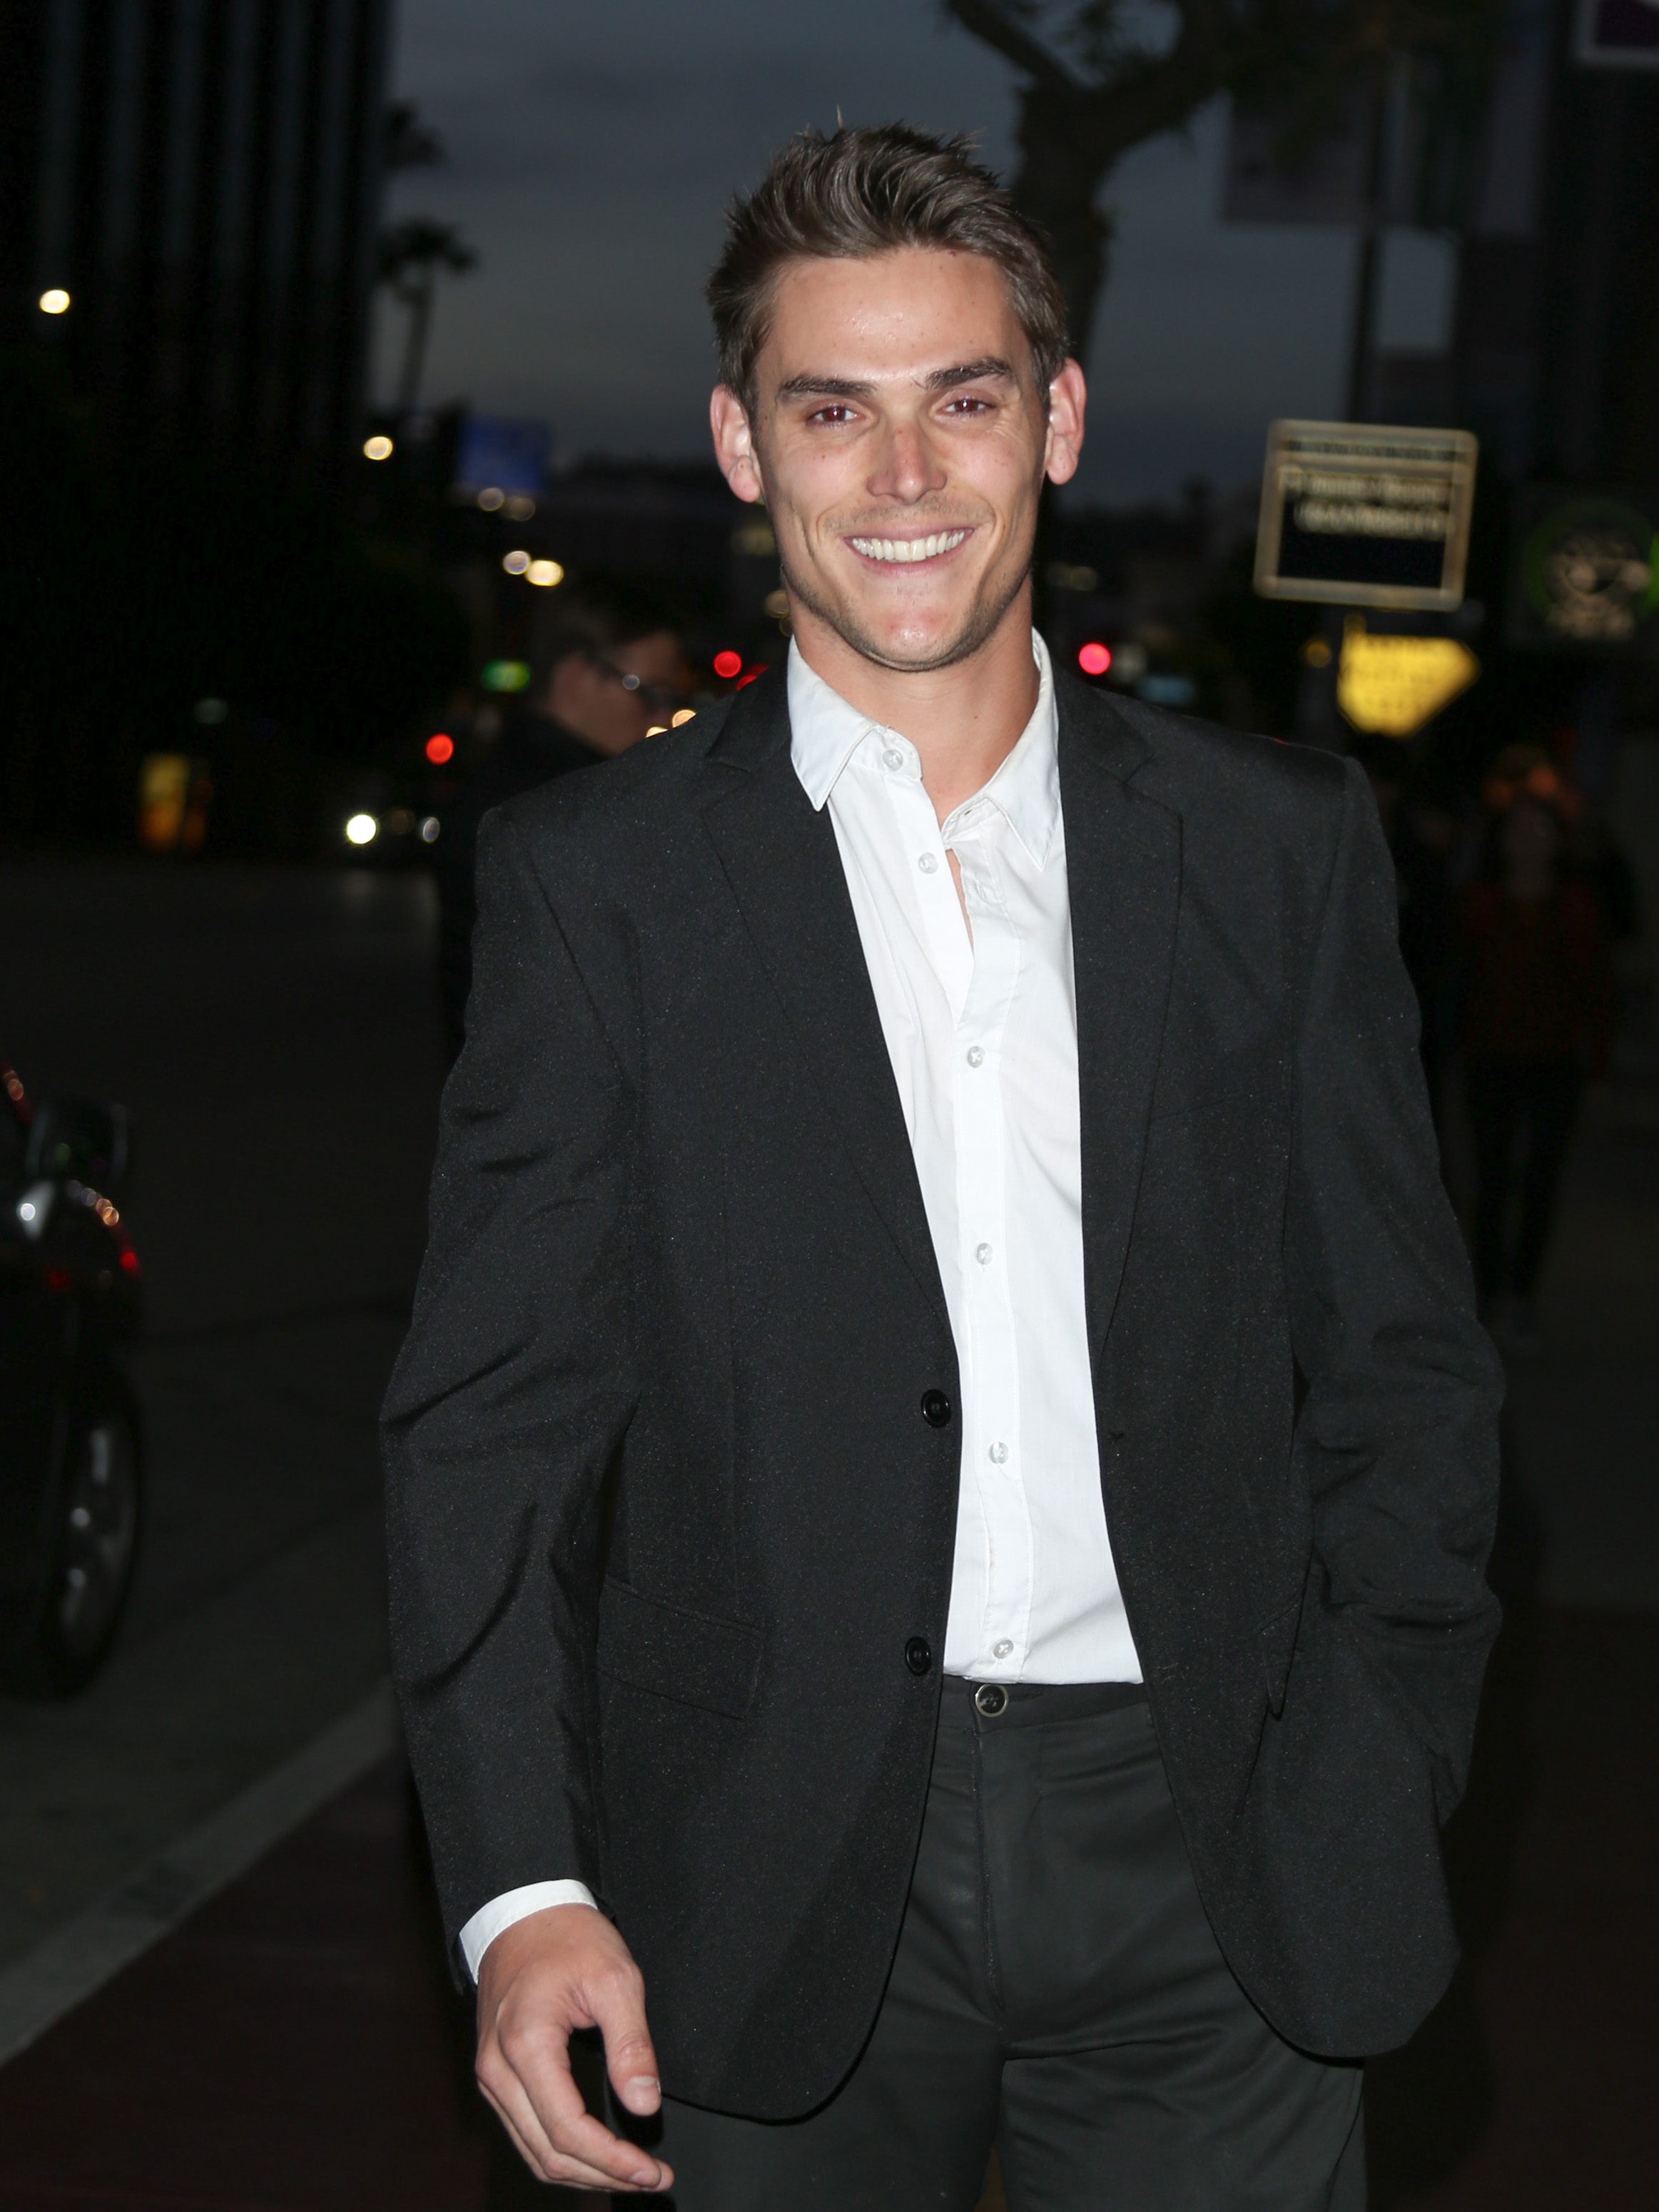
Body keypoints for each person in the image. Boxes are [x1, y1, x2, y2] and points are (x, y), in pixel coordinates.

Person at [383, 126, 1503, 2210]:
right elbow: (495, 1426)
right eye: (834, 409)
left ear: (1055, 419)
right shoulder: (591, 885)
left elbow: (1405, 1358)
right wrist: (521, 1884)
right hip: (767, 1849)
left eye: (961, 400)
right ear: (741, 444)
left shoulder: (1278, 848)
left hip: (1218, 1846)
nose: (902, 478)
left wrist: (1373, 1758)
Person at [431, 577, 685, 1057]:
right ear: (575, 675)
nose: (658, 716)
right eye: (646, 691)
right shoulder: (564, 808)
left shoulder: (504, 784)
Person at [1460, 778, 1614, 1354]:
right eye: (1518, 831)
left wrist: (1596, 1066)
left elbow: (1597, 989)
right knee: (1493, 1180)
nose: (1527, 841)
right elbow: (1460, 980)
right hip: (1491, 1059)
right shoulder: (1481, 903)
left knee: (1539, 1183)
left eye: (1538, 831)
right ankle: (1486, 1293)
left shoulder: (1573, 905)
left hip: (1553, 1064)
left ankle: (1521, 1296)